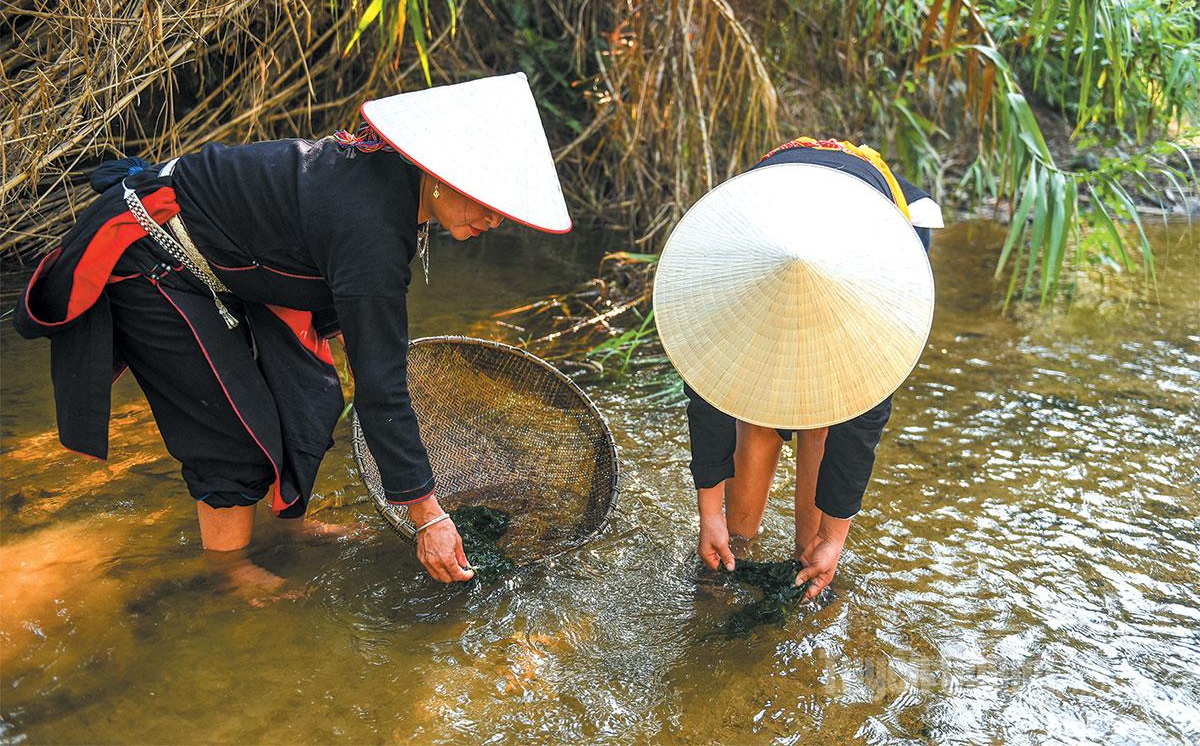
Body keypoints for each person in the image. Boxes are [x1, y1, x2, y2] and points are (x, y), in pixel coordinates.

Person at [13, 73, 572, 585]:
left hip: (219, 262)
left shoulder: (390, 186)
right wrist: (428, 517)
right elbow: (379, 386)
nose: (494, 220)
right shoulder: (372, 227)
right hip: (150, 254)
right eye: (488, 202)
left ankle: (288, 530)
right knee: (230, 430)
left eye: (504, 212)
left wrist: (377, 362)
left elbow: (364, 341)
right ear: (443, 175)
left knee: (303, 397)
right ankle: (227, 573)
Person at [653, 137, 942, 601]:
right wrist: (712, 517)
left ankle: (810, 564)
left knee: (823, 429)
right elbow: (709, 396)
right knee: (755, 415)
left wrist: (834, 538)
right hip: (771, 232)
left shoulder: (876, 289)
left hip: (872, 236)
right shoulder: (730, 279)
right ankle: (730, 559)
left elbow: (862, 423)